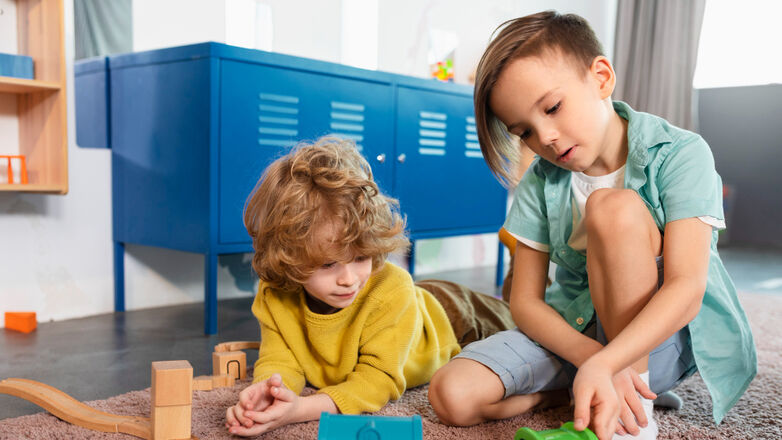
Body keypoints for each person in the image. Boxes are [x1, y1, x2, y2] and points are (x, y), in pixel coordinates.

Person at [427, 11, 756, 440]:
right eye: (525, 132)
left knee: (611, 209)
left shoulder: (681, 152)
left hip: (656, 340)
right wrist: (591, 358)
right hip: (576, 337)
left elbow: (686, 288)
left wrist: (610, 360)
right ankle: (572, 392)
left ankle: (632, 413)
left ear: (601, 77)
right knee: (450, 395)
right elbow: (525, 302)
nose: (545, 138)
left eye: (553, 108)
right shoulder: (540, 180)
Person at [224, 136, 515, 436]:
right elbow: (280, 358)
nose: (348, 279)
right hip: (408, 305)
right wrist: (269, 392)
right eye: (328, 264)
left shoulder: (391, 289)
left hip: (454, 318)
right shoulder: (274, 293)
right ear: (289, 257)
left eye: (361, 257)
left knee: (526, 322)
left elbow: (377, 381)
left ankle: (522, 257)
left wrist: (301, 409)